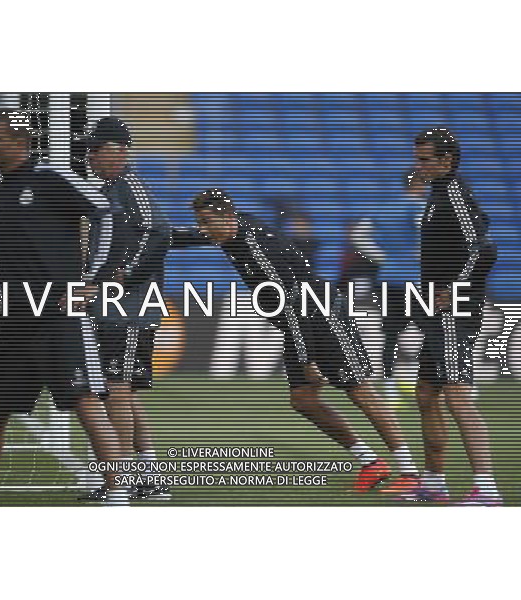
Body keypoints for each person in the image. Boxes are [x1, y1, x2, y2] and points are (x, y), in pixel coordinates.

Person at [192, 189, 418, 494]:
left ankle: (411, 474)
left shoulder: (259, 248)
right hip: (299, 319)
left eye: (207, 223)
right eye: (200, 223)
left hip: (322, 316)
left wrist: (308, 359)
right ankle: (371, 463)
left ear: (227, 216)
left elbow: (294, 302)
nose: (203, 231)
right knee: (304, 399)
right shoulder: (235, 227)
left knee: (360, 391)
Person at [0, 110, 130, 506]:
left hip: (60, 315)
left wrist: (97, 281)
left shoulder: (52, 178)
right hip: (15, 321)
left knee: (86, 401)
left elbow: (106, 214)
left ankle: (116, 492)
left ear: (20, 142)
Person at [77, 117, 205, 501]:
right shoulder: (115, 189)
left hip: (128, 308)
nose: (89, 156)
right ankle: (148, 476)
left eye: (93, 149)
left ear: (115, 151)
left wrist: (122, 277)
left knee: (115, 390)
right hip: (116, 306)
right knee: (123, 392)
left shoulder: (128, 188)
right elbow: (164, 233)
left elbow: (160, 234)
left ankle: (120, 480)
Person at [403, 128, 501, 505]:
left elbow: (484, 249)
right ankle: (435, 483)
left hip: (452, 310)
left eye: (426, 159)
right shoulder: (439, 192)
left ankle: (487, 492)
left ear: (447, 161)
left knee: (457, 396)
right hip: (435, 308)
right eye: (418, 158)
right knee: (426, 394)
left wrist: (457, 290)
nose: (419, 165)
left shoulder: (454, 193)